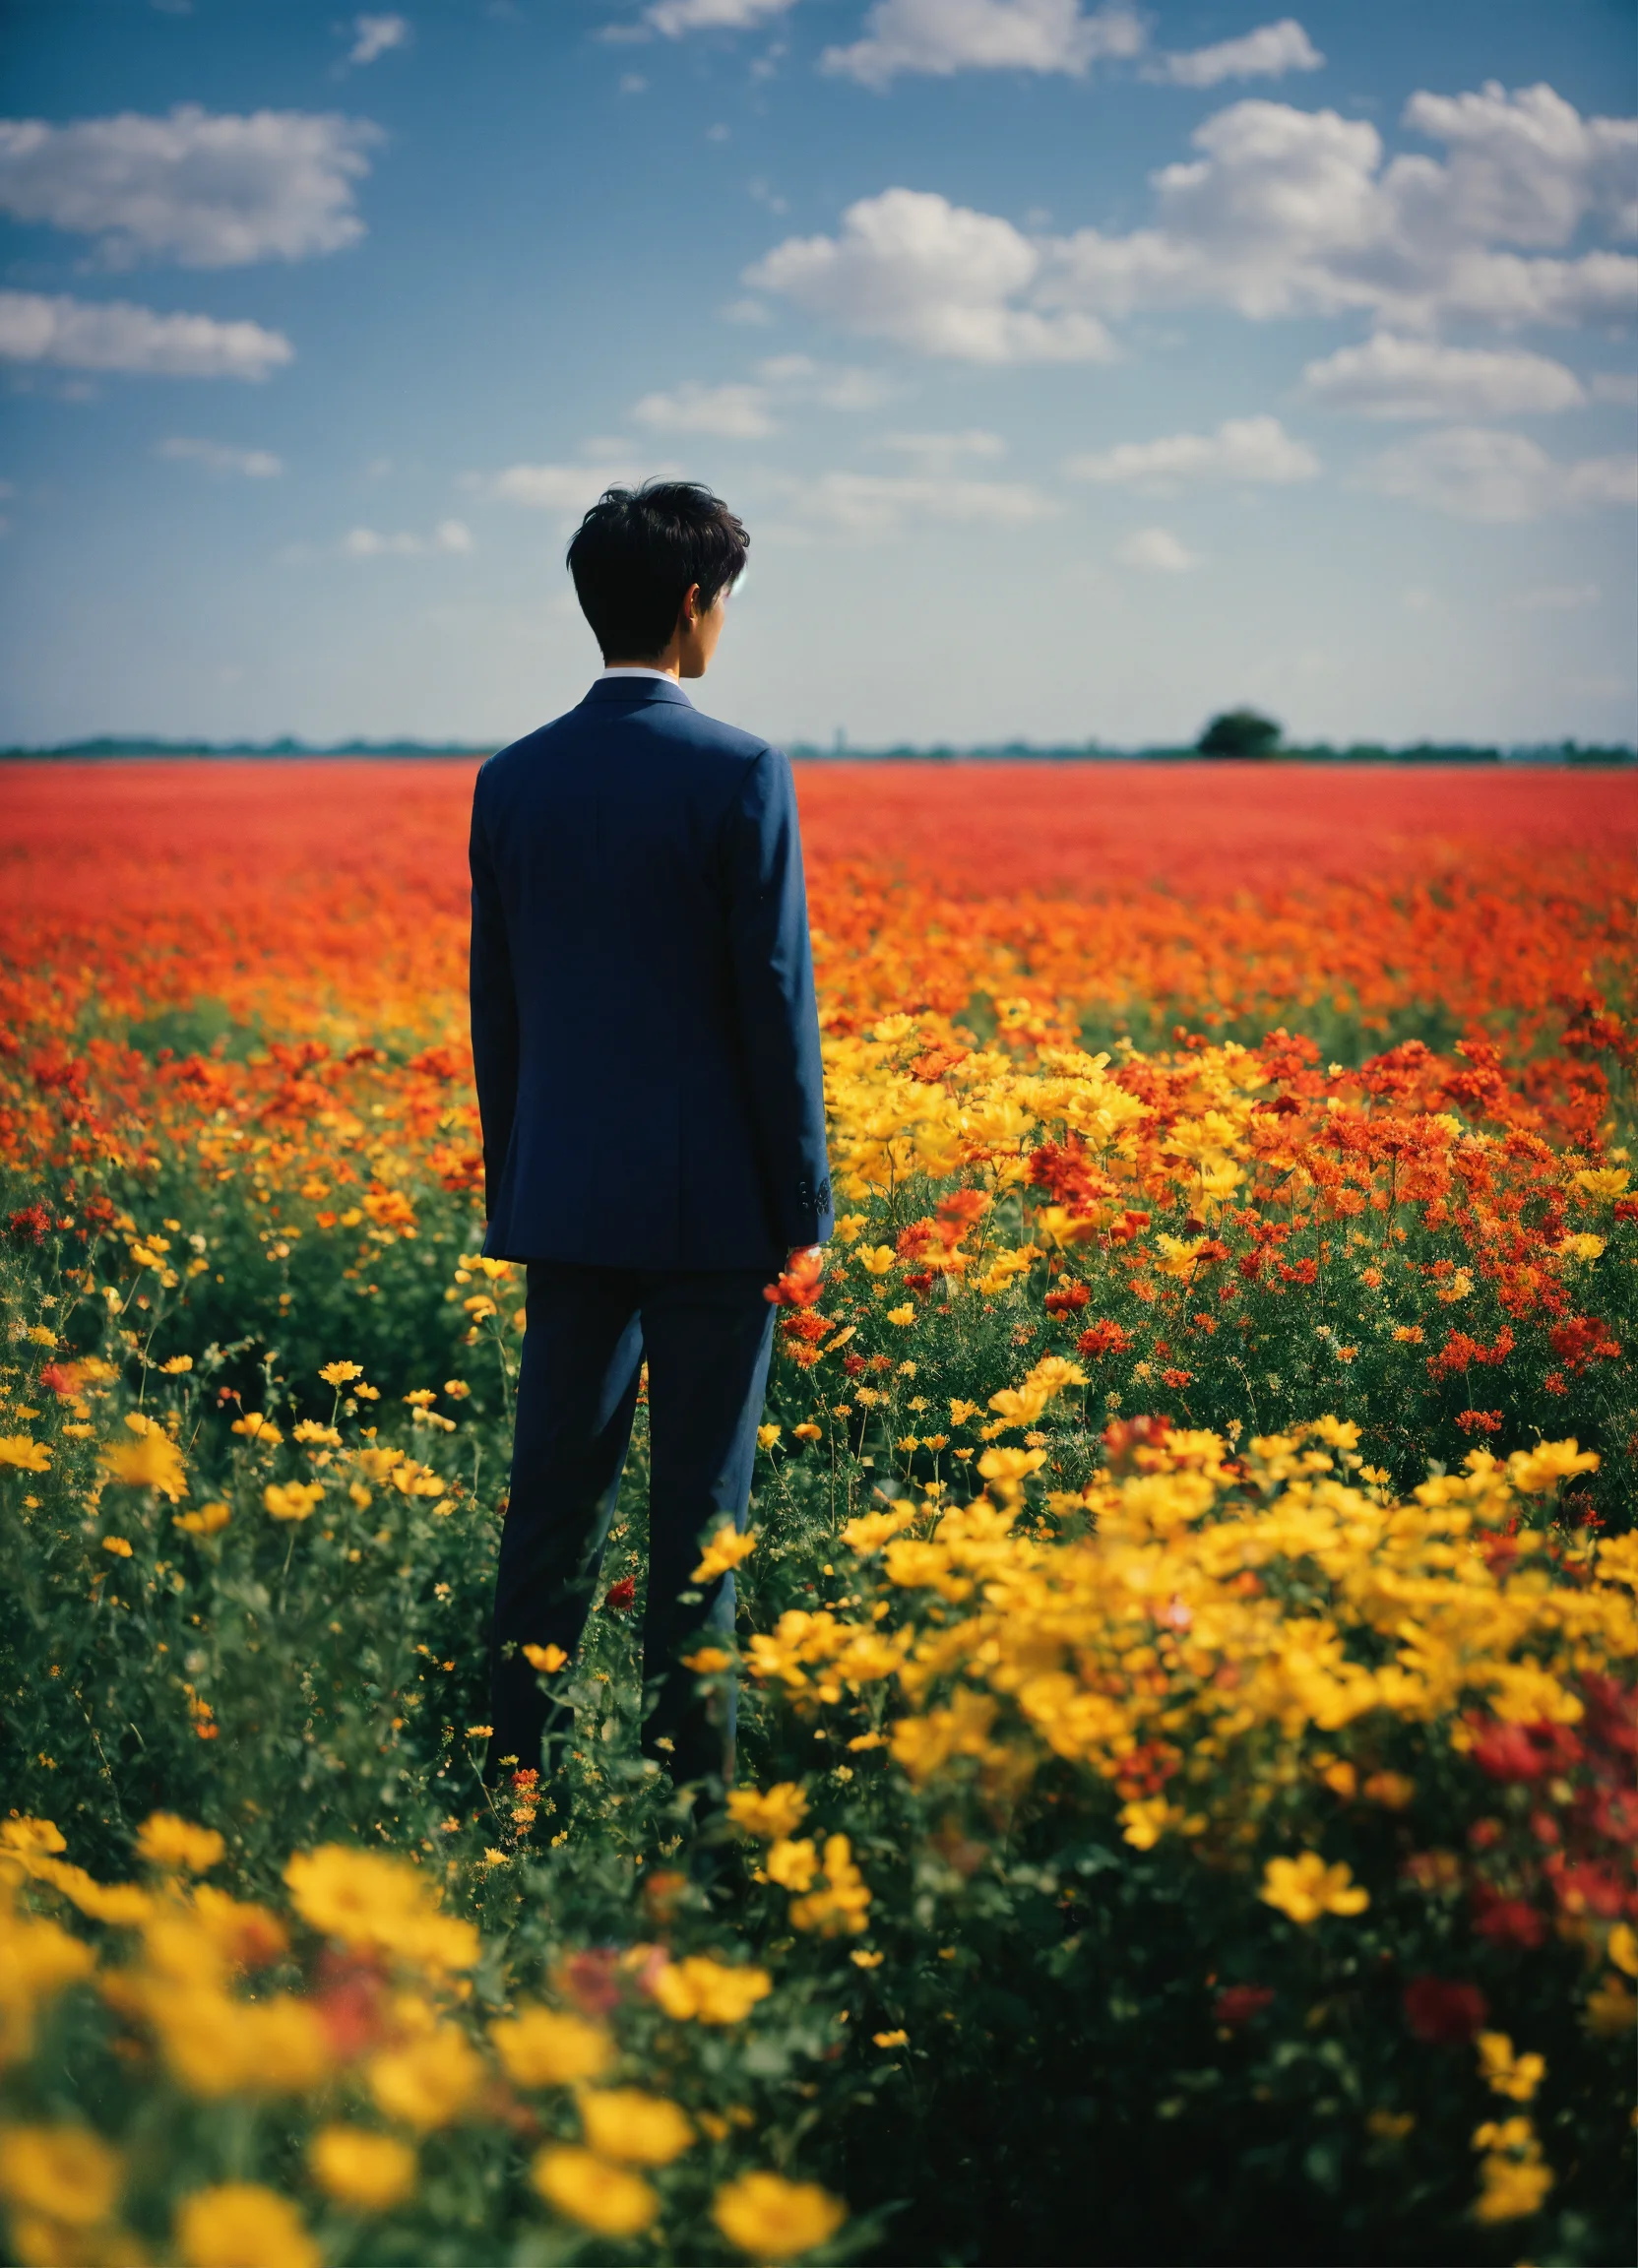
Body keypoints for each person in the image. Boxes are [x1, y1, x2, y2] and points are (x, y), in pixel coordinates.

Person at [469, 478, 832, 1808]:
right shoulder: (740, 772)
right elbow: (774, 1002)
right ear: (695, 606)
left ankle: (514, 1785)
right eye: (726, 599)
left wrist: (526, 1190)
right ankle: (693, 1818)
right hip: (716, 1221)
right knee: (701, 1523)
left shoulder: (512, 781)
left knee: (551, 1509)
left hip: (564, 1208)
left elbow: (496, 1013)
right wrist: (805, 1208)